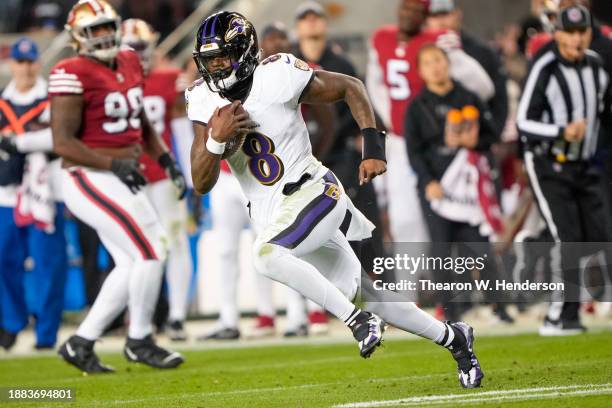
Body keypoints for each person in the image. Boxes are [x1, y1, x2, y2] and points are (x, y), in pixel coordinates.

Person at [188, 11, 483, 388]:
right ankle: (455, 338)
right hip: (273, 213)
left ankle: (354, 321)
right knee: (368, 295)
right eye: (208, 59)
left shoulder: (278, 75)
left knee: (265, 256)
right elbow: (200, 182)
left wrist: (373, 146)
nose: (214, 67)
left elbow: (351, 86)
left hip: (312, 191)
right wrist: (216, 139)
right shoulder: (201, 99)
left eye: (221, 57)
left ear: (244, 52)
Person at [50, 0, 184, 373]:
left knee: (131, 261)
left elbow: (138, 117)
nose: (105, 35)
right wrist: (114, 164)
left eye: (108, 27)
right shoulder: (70, 71)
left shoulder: (127, 60)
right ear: (78, 36)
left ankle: (81, 342)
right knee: (152, 248)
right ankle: (139, 338)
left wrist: (165, 158)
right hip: (87, 175)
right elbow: (62, 141)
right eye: (95, 30)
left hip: (121, 172)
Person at [366, 0, 494, 245]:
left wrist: (457, 117)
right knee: (404, 219)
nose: (409, 15)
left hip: (439, 143)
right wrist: (392, 116)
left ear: (424, 17)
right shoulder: (382, 37)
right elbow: (375, 83)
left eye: (417, 11)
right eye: (406, 8)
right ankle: (411, 283)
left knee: (452, 220)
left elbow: (483, 87)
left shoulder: (437, 40)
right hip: (402, 142)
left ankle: (450, 278)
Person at [517, 5, 611, 335]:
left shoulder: (597, 67)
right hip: (547, 162)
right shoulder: (545, 65)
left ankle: (568, 310)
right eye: (569, 32)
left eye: (580, 31)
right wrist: (561, 131)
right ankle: (558, 317)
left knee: (596, 236)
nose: (575, 38)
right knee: (567, 237)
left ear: (589, 32)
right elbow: (523, 121)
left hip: (583, 164)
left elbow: (603, 113)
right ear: (557, 33)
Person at [405, 44, 512, 323]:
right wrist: (428, 181)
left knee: (480, 248)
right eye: (428, 63)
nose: (435, 67)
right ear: (420, 71)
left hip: (469, 189)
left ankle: (498, 307)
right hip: (437, 189)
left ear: (447, 63)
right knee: (441, 250)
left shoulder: (469, 97)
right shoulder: (417, 107)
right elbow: (414, 152)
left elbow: (492, 137)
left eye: (438, 60)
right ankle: (450, 312)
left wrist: (476, 143)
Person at [121, 18, 191, 342]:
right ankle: (140, 320)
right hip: (128, 177)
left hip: (162, 177)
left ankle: (176, 317)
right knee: (138, 250)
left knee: (174, 244)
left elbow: (180, 129)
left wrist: (189, 179)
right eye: (132, 47)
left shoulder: (166, 80)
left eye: (141, 46)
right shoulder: (112, 82)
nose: (138, 53)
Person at [0, 37, 67, 350]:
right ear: (12, 63)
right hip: (7, 194)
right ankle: (12, 322)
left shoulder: (53, 99)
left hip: (47, 192)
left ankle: (46, 332)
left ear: (38, 63)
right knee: (3, 260)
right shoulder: (2, 101)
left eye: (30, 61)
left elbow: (63, 138)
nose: (25, 67)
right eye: (20, 61)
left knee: (48, 264)